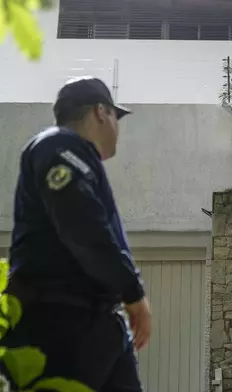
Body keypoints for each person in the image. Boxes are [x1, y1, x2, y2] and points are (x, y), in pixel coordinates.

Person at [1, 77, 152, 391]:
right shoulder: (57, 145)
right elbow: (82, 224)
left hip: (98, 324)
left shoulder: (78, 158)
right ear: (101, 112)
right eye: (115, 117)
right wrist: (132, 293)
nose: (117, 129)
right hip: (58, 319)